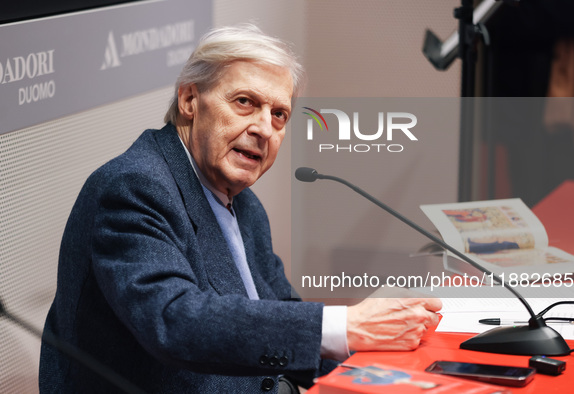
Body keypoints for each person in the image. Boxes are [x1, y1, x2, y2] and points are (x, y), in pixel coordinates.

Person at [39, 24, 441, 393]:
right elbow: (174, 319)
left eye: (279, 114)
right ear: (189, 99)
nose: (265, 128)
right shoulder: (134, 186)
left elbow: (278, 318)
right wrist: (347, 326)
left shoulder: (243, 203)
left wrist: (387, 344)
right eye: (246, 102)